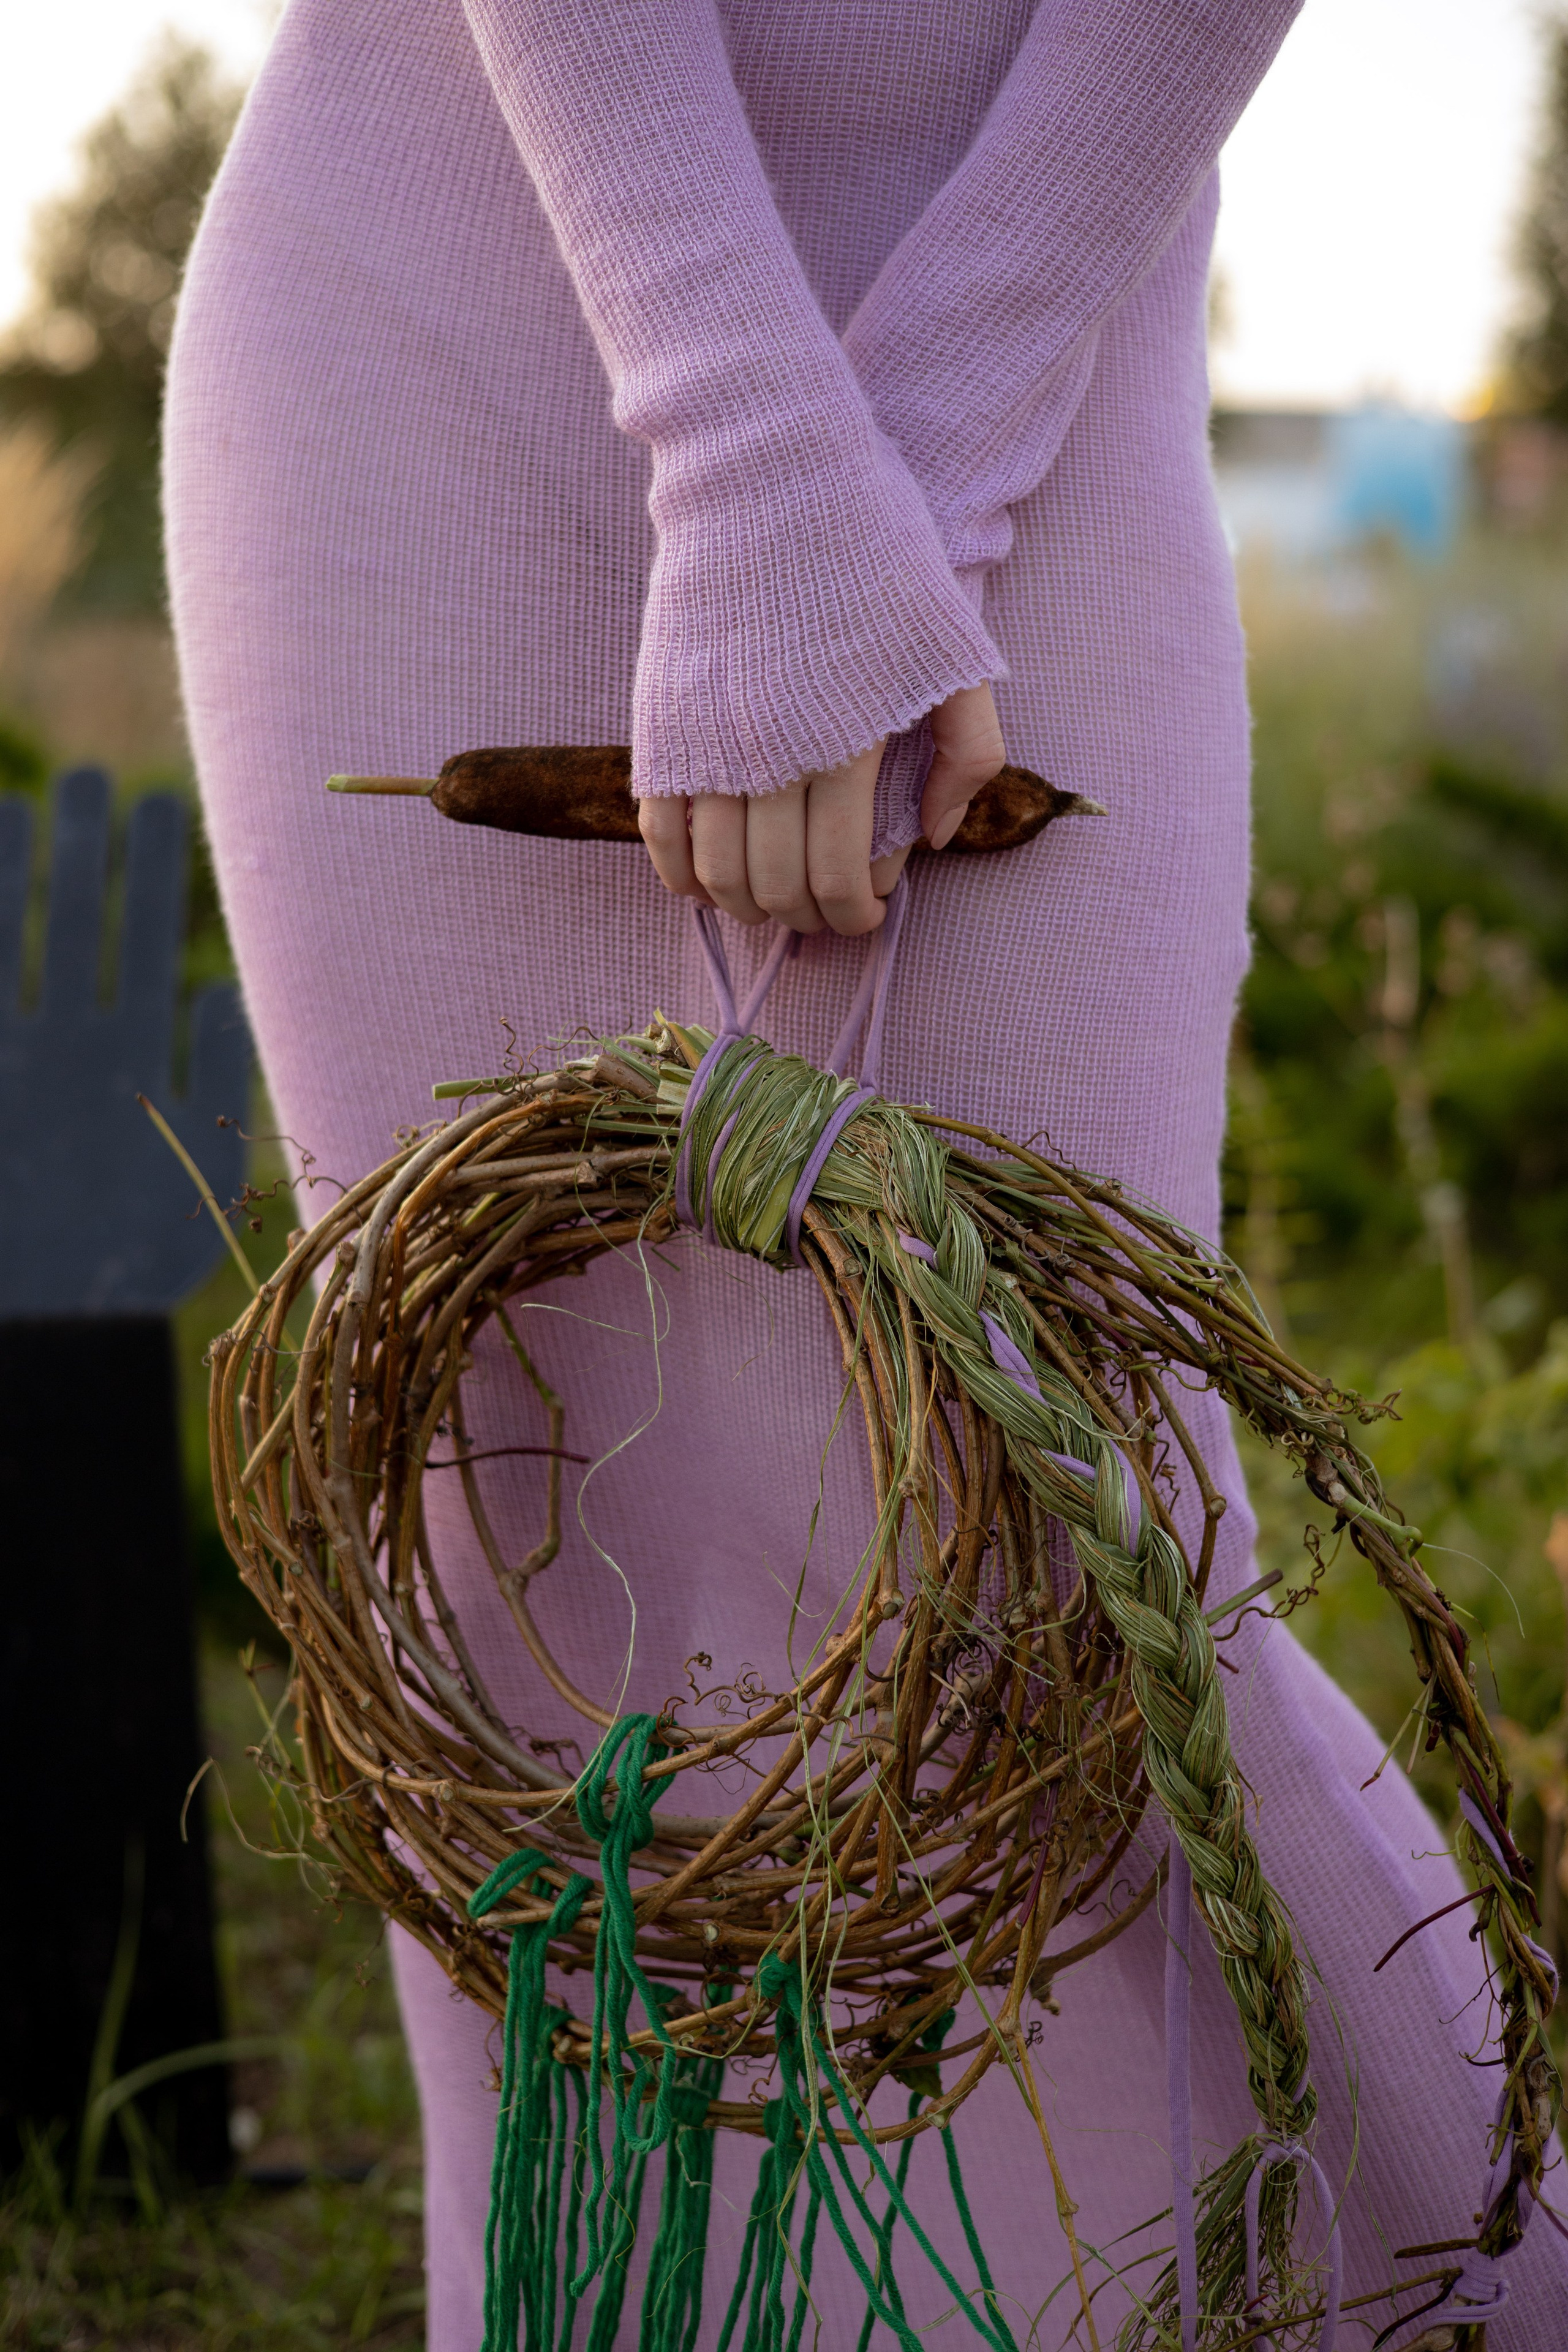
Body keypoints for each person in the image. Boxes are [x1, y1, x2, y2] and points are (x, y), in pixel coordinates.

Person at [164, 2, 1566, 2343]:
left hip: (1032, 310)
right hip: (449, 297)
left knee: (1092, 1539)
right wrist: (740, 441)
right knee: (520, 1562)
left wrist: (884, 479)